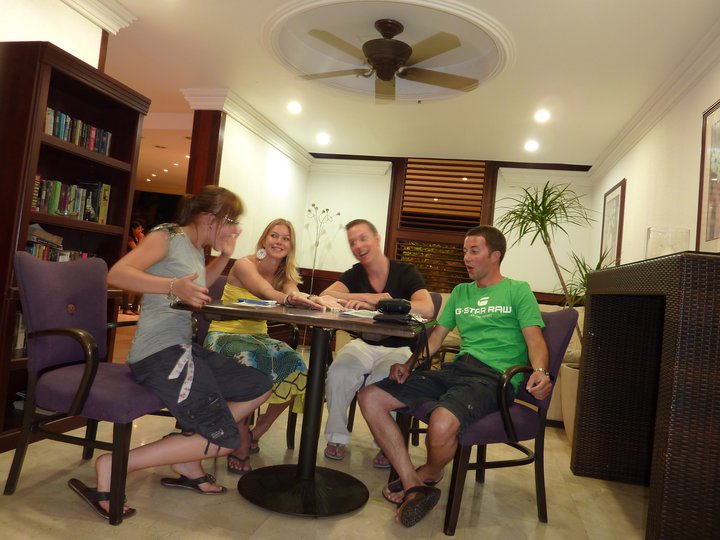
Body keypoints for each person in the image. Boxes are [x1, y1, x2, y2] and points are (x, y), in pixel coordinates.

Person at [69, 186, 272, 520]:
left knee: (259, 385)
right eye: (231, 220)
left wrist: (224, 255)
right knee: (226, 440)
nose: (235, 227)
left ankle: (187, 455)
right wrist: (172, 286)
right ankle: (115, 463)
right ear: (210, 217)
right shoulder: (168, 235)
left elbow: (198, 288)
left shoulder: (195, 247)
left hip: (183, 348)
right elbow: (116, 274)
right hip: (157, 354)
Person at [357, 225, 552, 528]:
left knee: (441, 422)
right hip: (457, 370)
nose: (466, 258)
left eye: (474, 251)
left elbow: (535, 341)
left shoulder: (518, 290)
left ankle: (431, 472)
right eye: (464, 251)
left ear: (495, 255)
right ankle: (413, 484)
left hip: (494, 378)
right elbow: (436, 338)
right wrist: (409, 364)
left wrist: (540, 371)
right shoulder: (461, 292)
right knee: (370, 397)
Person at [204, 218, 339, 474]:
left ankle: (256, 433)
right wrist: (290, 298)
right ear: (264, 239)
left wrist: (317, 299)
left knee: (297, 367)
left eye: (285, 238)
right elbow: (266, 291)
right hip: (225, 335)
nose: (279, 242)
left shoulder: (283, 274)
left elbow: (293, 291)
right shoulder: (245, 265)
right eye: (274, 235)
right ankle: (241, 442)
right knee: (248, 365)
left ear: (291, 246)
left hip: (259, 337)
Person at [321, 219, 434, 468]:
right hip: (363, 344)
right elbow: (325, 295)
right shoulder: (355, 274)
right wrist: (368, 297)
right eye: (352, 242)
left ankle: (385, 443)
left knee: (384, 380)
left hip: (399, 347)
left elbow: (427, 308)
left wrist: (382, 304)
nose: (358, 245)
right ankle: (337, 437)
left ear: (377, 238)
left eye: (363, 238)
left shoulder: (406, 271)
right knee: (338, 372)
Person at [122, 219, 145, 315]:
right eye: (138, 229)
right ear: (133, 229)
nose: (140, 231)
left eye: (141, 229)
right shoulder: (129, 238)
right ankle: (125, 308)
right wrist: (141, 239)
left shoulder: (136, 238)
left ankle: (135, 307)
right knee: (126, 287)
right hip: (127, 265)